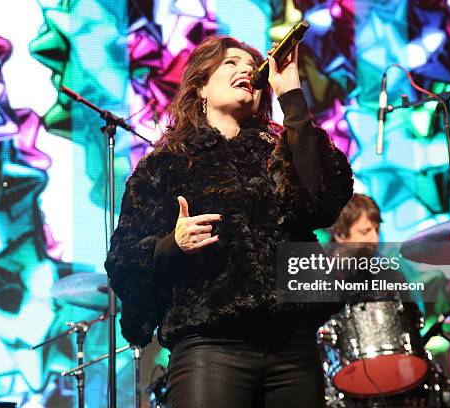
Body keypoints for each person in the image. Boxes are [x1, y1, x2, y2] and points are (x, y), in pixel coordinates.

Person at [105, 35, 353, 407]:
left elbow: (324, 196)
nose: (246, 70)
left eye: (250, 65)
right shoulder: (165, 165)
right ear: (201, 86)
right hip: (210, 345)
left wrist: (292, 97)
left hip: (292, 345)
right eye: (231, 63)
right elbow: (122, 261)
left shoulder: (278, 151)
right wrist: (172, 245)